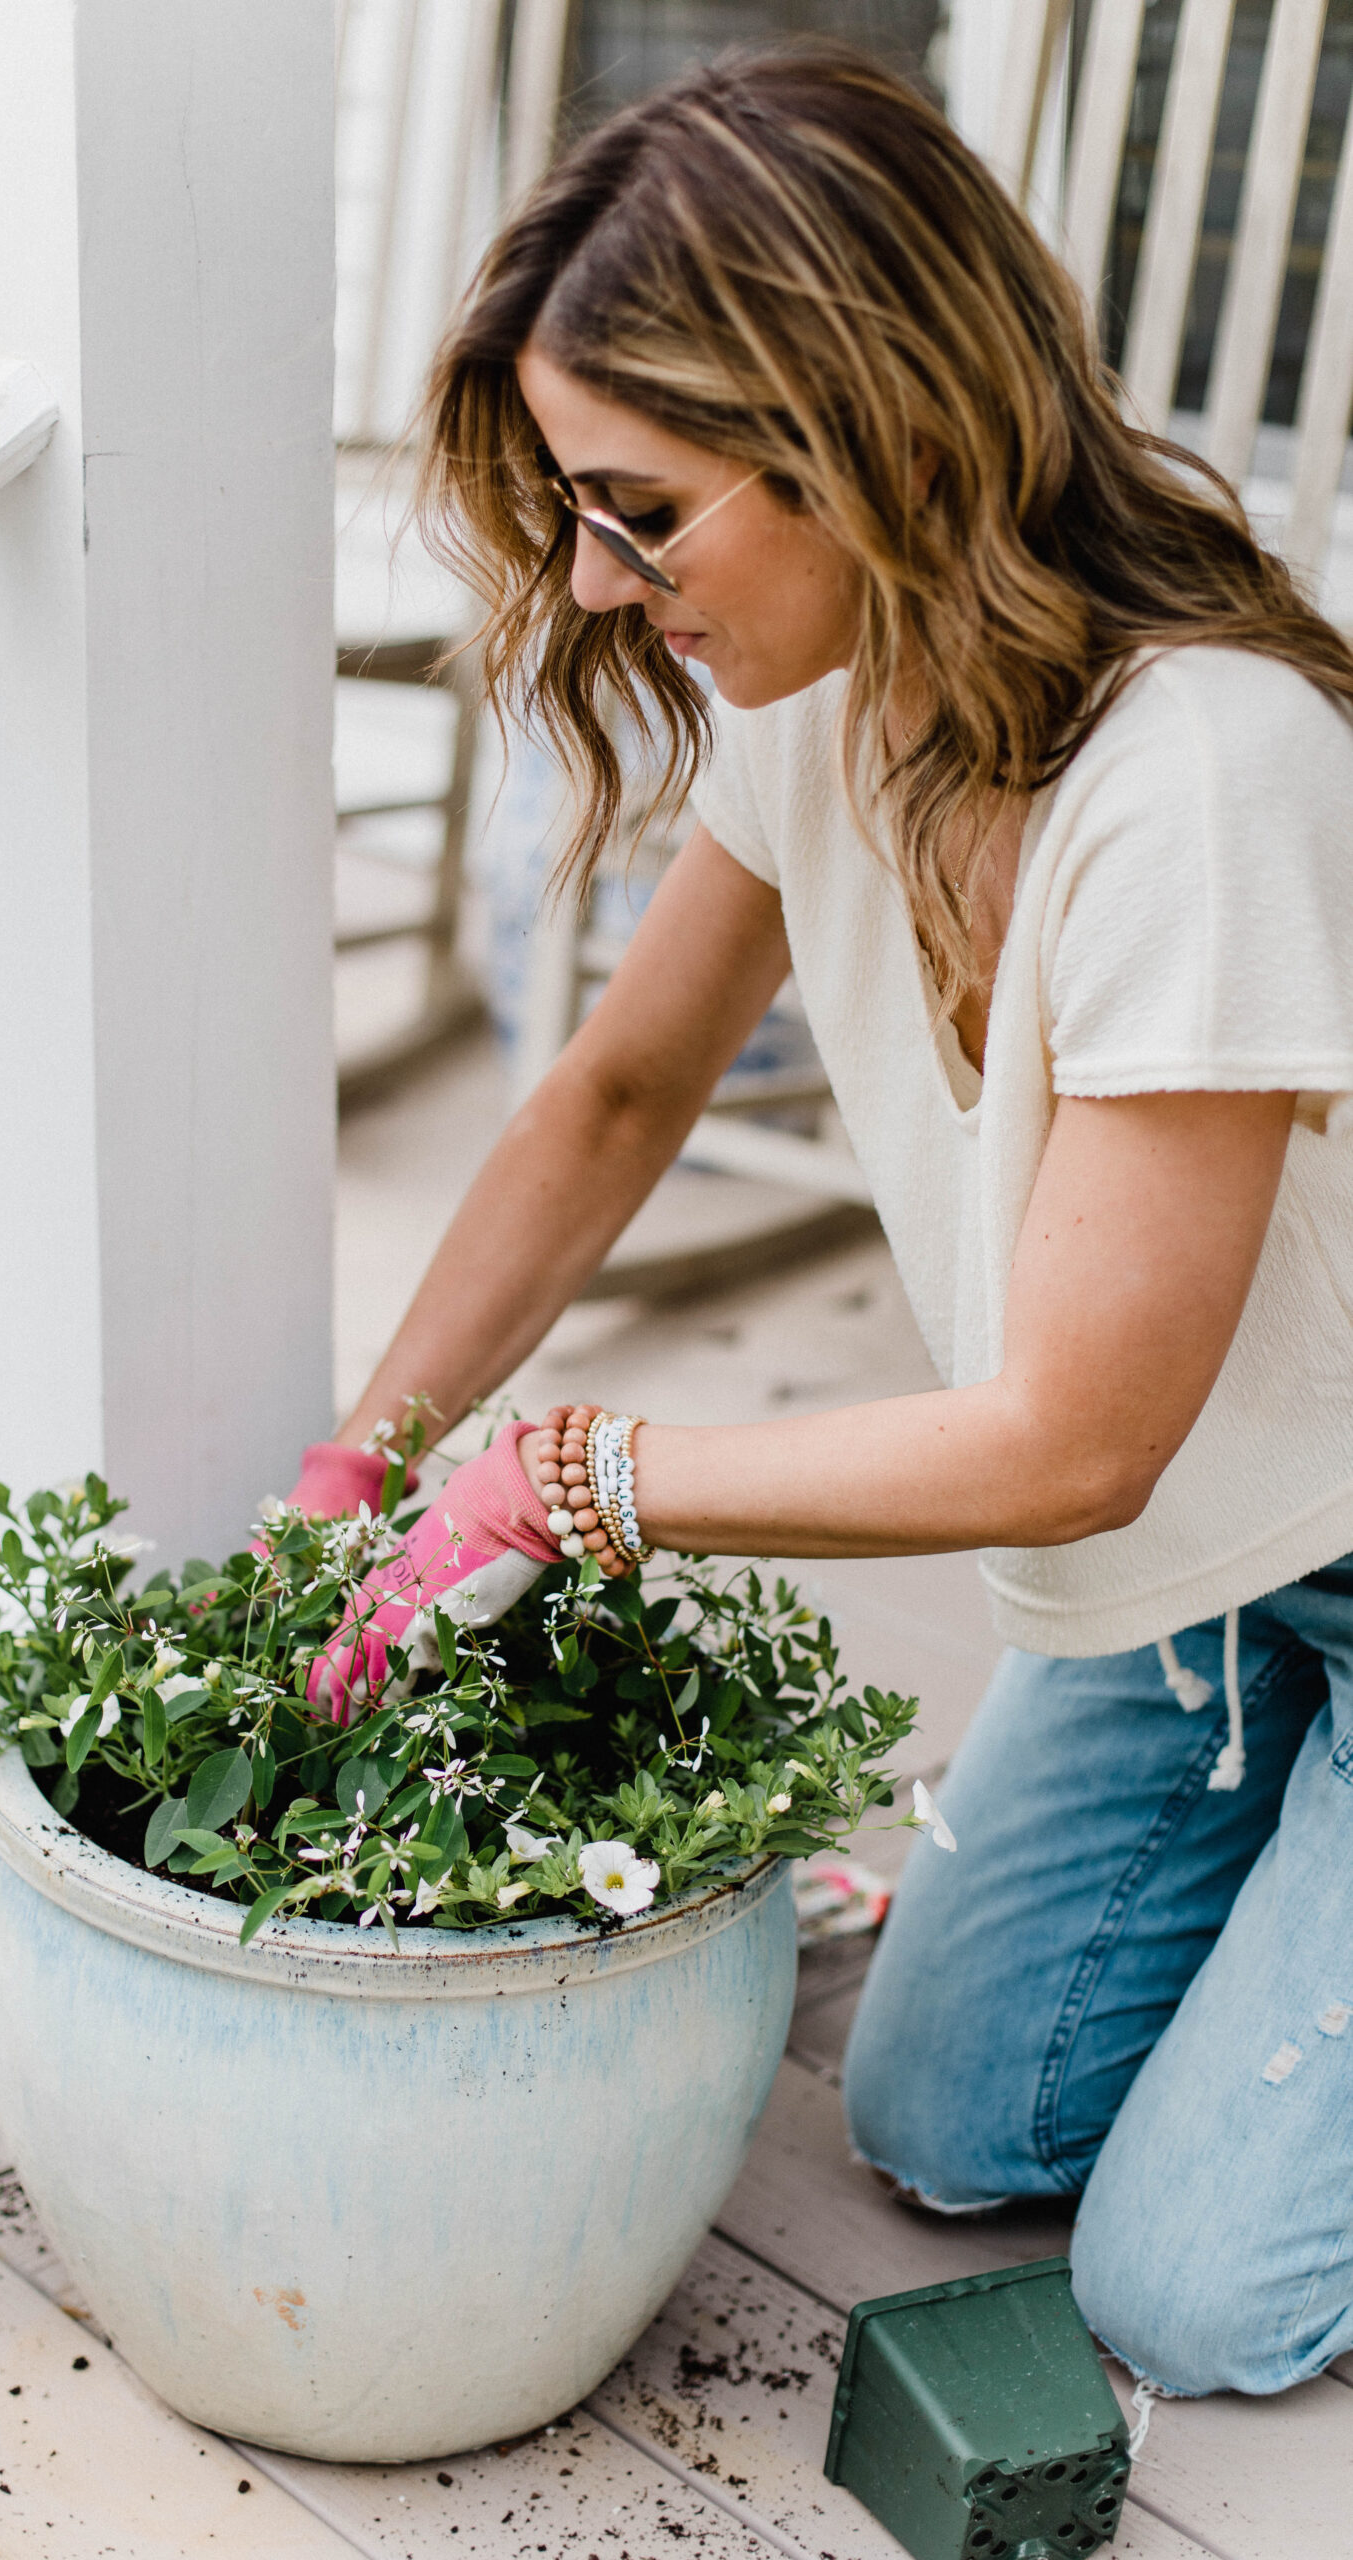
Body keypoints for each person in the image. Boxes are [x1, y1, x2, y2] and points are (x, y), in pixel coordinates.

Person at [287, 46, 1353, 2401]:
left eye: (638, 508)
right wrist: (362, 1463)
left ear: (862, 427)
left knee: (1187, 2297)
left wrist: (566, 1476)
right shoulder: (832, 681)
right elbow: (617, 1088)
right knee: (938, 2124)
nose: (593, 579)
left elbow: (1070, 1436)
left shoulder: (1205, 778)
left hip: (1264, 1517)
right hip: (1198, 1590)